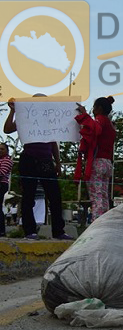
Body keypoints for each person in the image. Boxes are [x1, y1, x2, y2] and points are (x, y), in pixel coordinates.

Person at [3, 95, 72, 240]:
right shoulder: (26, 117)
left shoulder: (50, 120)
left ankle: (58, 231)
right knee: (28, 195)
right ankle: (30, 231)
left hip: (46, 160)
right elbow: (7, 129)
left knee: (54, 195)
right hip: (29, 158)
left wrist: (57, 162)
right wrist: (13, 111)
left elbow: (53, 143)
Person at [75, 96, 117, 220]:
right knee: (104, 196)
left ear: (98, 108)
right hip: (107, 162)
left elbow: (95, 128)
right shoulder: (110, 124)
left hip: (97, 162)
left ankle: (96, 224)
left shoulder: (100, 120)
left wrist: (84, 115)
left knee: (96, 197)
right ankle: (104, 223)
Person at [0, 143, 12, 236]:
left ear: (7, 151)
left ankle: (1, 231)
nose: (0, 150)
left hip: (1, 184)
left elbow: (1, 172)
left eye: (2, 149)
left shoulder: (7, 160)